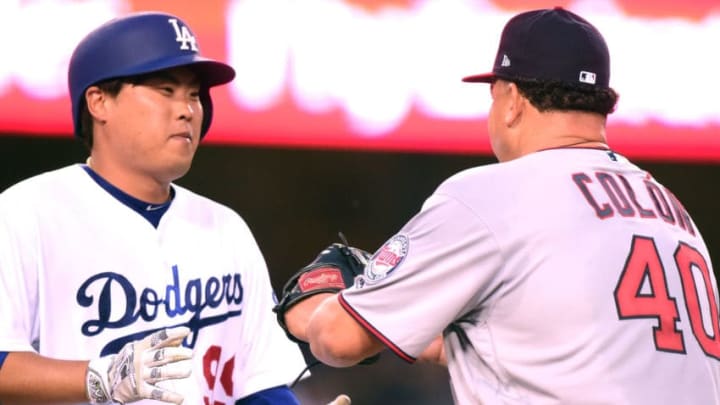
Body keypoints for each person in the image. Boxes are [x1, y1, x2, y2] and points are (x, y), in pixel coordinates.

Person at [280, 7, 720, 404]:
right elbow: (545, 347)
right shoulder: (671, 209)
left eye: (493, 96)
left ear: (511, 101)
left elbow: (338, 340)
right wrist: (398, 310)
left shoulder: (491, 195)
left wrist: (322, 310)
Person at [0, 11, 308, 404]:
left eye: (194, 95)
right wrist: (101, 376)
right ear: (99, 102)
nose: (187, 110)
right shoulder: (26, 213)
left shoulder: (225, 227)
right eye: (165, 90)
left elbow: (261, 384)